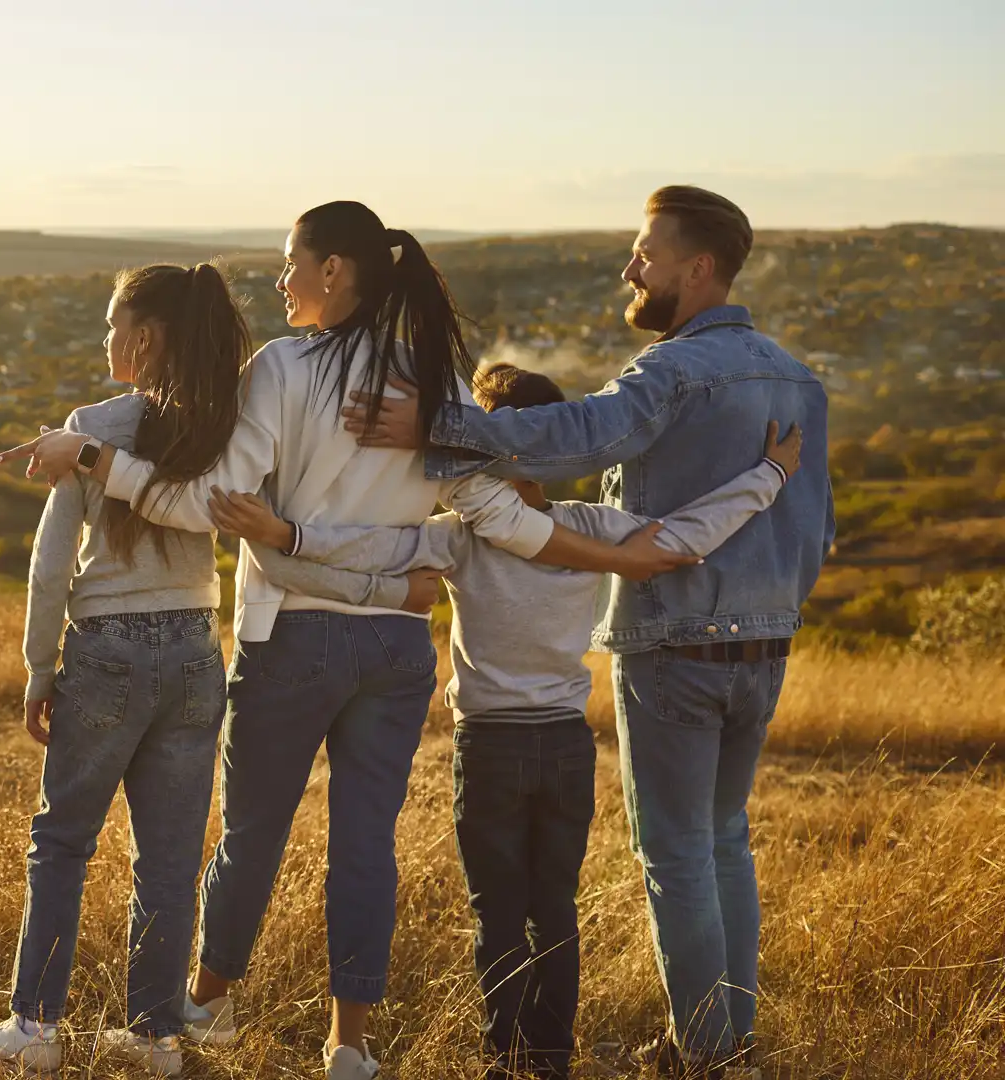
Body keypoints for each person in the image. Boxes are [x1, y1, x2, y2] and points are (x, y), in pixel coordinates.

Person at [0, 201, 698, 1079]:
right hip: (397, 648)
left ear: (334, 271)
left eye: (292, 262)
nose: (281, 279)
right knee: (366, 847)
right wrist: (614, 555)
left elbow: (214, 504)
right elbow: (496, 513)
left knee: (251, 837)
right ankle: (349, 1045)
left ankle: (205, 1008)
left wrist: (97, 459)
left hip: (291, 637)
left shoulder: (282, 368)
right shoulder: (428, 375)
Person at [343, 187, 835, 1079]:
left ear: (699, 268)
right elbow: (816, 525)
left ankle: (708, 1054)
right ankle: (731, 1043)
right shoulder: (799, 379)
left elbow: (576, 437)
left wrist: (438, 425)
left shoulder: (674, 371)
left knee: (678, 851)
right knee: (724, 839)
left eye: (646, 253)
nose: (630, 269)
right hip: (766, 648)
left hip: (675, 642)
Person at [206, 362, 804, 1080]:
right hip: (566, 747)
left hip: (489, 747)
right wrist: (769, 475)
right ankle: (549, 1060)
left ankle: (506, 1059)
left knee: (497, 914)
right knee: (555, 910)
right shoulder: (592, 527)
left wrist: (286, 533)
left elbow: (371, 545)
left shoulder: (461, 535)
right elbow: (690, 534)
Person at [0, 262, 388, 1078]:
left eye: (112, 325)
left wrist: (38, 667)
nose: (105, 338)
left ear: (144, 337)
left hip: (108, 646)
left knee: (62, 843)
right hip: (198, 648)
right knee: (166, 861)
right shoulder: (221, 429)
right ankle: (157, 1036)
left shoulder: (94, 427)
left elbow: (51, 565)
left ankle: (36, 1026)